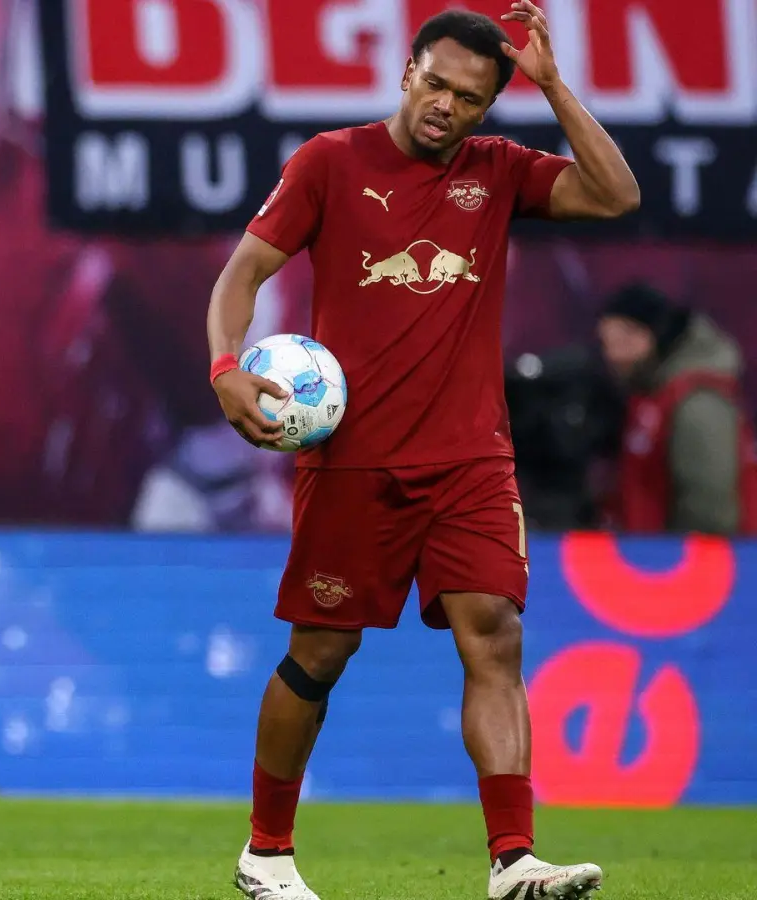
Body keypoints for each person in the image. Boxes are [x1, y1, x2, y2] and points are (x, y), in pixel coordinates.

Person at [205, 6, 639, 900]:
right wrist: (223, 367)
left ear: (488, 109)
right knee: (319, 655)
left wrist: (553, 84)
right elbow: (241, 275)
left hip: (472, 462)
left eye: (470, 98)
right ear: (407, 72)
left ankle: (513, 859)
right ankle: (266, 852)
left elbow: (617, 195)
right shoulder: (331, 161)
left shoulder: (499, 173)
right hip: (353, 464)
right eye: (436, 84)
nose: (446, 106)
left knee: (496, 638)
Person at [596, 284, 757, 534]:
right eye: (606, 343)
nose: (613, 355)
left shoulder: (698, 403)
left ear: (652, 335)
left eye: (622, 340)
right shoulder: (655, 395)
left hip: (698, 566)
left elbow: (710, 509)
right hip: (660, 563)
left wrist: (684, 560)